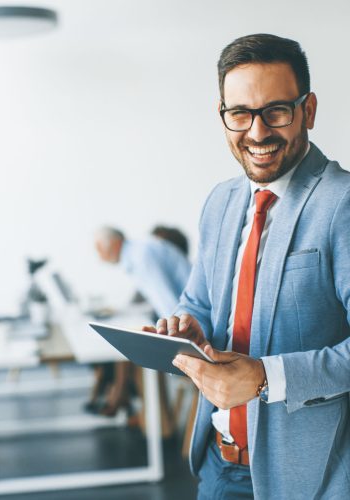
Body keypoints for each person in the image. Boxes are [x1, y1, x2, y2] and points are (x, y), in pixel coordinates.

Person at [143, 33, 350, 499]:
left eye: (276, 111)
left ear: (308, 111)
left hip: (311, 478)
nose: (257, 133)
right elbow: (198, 301)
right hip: (219, 462)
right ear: (223, 116)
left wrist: (264, 377)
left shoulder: (343, 203)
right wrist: (188, 327)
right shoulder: (220, 201)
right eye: (240, 114)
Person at [89, 226, 192, 417]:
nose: (99, 256)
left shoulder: (141, 256)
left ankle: (134, 407)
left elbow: (167, 302)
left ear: (115, 243)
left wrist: (175, 344)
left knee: (131, 344)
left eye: (99, 249)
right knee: (129, 340)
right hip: (185, 318)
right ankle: (134, 407)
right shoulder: (137, 253)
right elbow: (154, 300)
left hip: (192, 326)